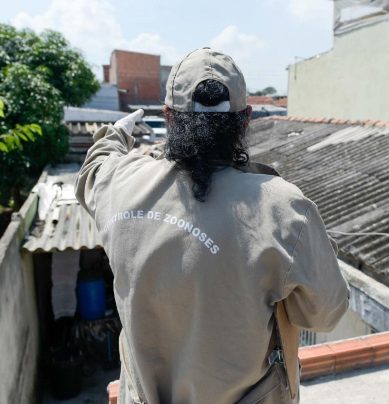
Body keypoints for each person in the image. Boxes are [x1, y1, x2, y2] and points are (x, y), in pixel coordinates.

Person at [75, 48, 349, 403]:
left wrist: (115, 135)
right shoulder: (283, 207)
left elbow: (94, 169)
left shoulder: (119, 184)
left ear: (169, 117)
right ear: (245, 120)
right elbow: (324, 314)